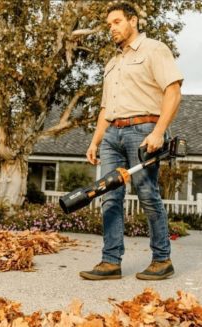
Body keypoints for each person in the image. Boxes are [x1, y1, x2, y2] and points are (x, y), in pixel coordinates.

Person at [79, 2, 183, 280]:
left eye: (116, 22)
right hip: (112, 135)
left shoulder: (154, 49)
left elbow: (172, 91)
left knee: (148, 194)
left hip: (143, 130)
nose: (111, 28)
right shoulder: (113, 63)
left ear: (133, 21)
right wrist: (95, 141)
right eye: (109, 24)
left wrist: (159, 131)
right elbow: (105, 108)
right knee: (109, 196)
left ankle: (162, 259)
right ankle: (110, 261)